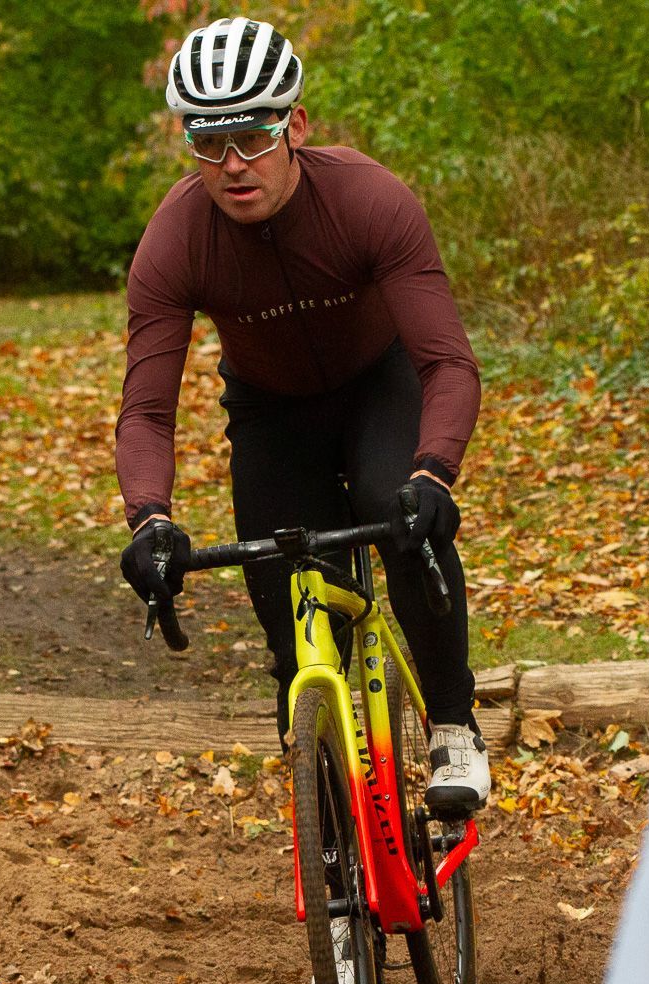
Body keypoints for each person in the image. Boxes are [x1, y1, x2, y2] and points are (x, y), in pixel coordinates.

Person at [114, 15, 490, 815]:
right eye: (209, 143)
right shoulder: (176, 240)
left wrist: (435, 473)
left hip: (380, 386)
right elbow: (146, 411)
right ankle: (324, 792)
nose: (233, 165)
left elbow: (448, 363)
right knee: (291, 608)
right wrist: (149, 517)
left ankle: (454, 725)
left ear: (297, 126)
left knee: (400, 512)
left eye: (252, 137)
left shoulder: (368, 200)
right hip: (272, 412)